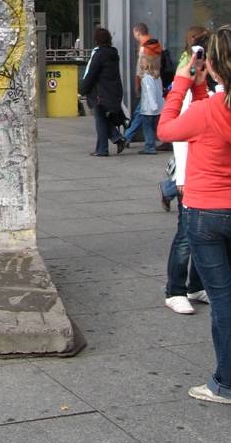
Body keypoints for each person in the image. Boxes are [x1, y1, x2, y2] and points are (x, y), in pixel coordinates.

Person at [157, 25, 231, 404]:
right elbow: (217, 121)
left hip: (205, 213)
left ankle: (228, 383)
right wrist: (202, 87)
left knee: (221, 298)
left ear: (215, 65)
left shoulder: (206, 111)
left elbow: (166, 128)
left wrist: (181, 83)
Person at [163, 26, 211, 314]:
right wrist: (181, 175)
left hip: (206, 169)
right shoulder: (188, 80)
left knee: (202, 233)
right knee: (186, 233)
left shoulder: (209, 82)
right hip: (191, 171)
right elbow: (178, 133)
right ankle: (175, 289)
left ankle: (195, 285)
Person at [78, 27, 127, 157]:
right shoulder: (114, 54)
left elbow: (91, 75)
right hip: (113, 91)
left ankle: (103, 149)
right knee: (103, 119)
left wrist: (82, 90)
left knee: (100, 119)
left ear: (97, 40)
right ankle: (116, 139)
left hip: (100, 94)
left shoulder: (99, 55)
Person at [126, 23, 164, 154]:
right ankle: (127, 137)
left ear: (138, 33)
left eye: (134, 33)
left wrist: (137, 85)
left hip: (147, 88)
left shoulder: (143, 49)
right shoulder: (156, 45)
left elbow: (139, 70)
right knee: (141, 114)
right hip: (156, 78)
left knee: (143, 116)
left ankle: (145, 144)